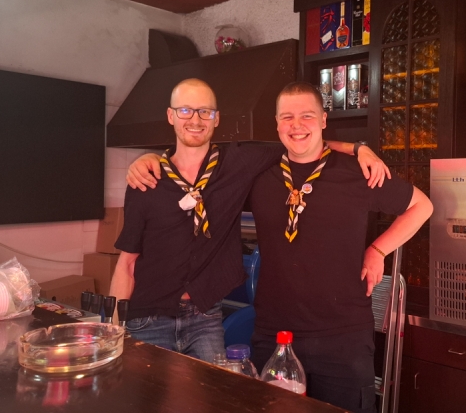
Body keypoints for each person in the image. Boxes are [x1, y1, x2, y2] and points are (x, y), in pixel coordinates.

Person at [111, 78, 388, 363]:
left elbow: (302, 141)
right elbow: (127, 264)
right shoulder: (147, 179)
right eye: (185, 110)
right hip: (148, 319)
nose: (195, 120)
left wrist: (357, 149)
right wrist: (113, 334)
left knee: (210, 391)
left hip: (205, 318)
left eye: (205, 111)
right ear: (171, 116)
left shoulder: (239, 162)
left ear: (217, 118)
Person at [248, 82, 433, 413]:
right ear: (276, 124)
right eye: (287, 117)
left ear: (323, 120)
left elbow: (422, 206)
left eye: (307, 116)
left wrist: (378, 250)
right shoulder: (259, 173)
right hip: (274, 335)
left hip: (342, 339)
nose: (296, 125)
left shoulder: (357, 172)